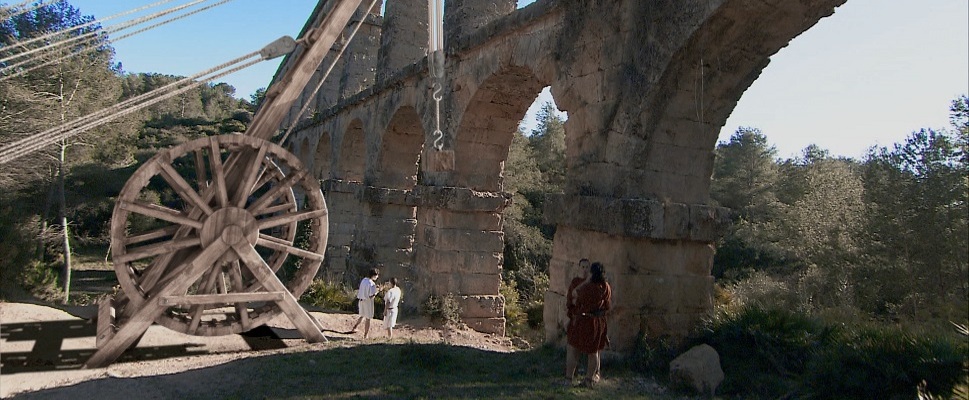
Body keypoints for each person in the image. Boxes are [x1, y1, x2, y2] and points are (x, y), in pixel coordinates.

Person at [566, 262, 611, 387]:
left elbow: (575, 295)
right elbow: (607, 305)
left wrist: (585, 282)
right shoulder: (606, 286)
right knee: (594, 351)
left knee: (573, 348)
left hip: (585, 321)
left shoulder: (588, 287)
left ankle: (568, 378)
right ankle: (589, 379)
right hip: (599, 322)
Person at [565, 258, 591, 383]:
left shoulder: (592, 283)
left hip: (589, 319)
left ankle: (592, 376)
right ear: (579, 268)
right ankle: (569, 376)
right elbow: (572, 298)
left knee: (593, 350)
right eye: (583, 267)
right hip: (576, 318)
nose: (585, 269)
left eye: (587, 267)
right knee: (572, 347)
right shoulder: (575, 282)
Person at [350, 267, 380, 338]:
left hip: (361, 300)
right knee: (368, 318)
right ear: (374, 275)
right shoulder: (372, 284)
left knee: (362, 315)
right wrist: (377, 291)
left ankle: (354, 327)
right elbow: (371, 296)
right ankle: (365, 335)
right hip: (367, 302)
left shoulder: (364, 280)